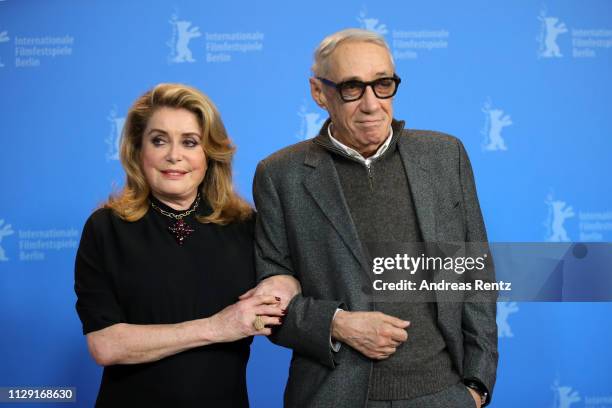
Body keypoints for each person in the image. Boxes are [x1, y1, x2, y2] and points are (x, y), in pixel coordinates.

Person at [251, 29, 498, 407]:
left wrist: (476, 387)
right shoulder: (280, 175)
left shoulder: (446, 155)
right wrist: (336, 323)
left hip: (443, 396)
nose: (371, 104)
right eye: (352, 87)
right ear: (319, 93)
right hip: (333, 396)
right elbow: (269, 303)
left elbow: (475, 273)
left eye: (383, 84)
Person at [74, 83, 297, 407]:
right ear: (138, 150)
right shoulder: (106, 229)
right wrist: (217, 327)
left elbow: (289, 278)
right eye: (159, 140)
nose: (174, 155)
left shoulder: (246, 226)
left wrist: (285, 282)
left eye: (190, 142)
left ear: (210, 154)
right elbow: (105, 345)